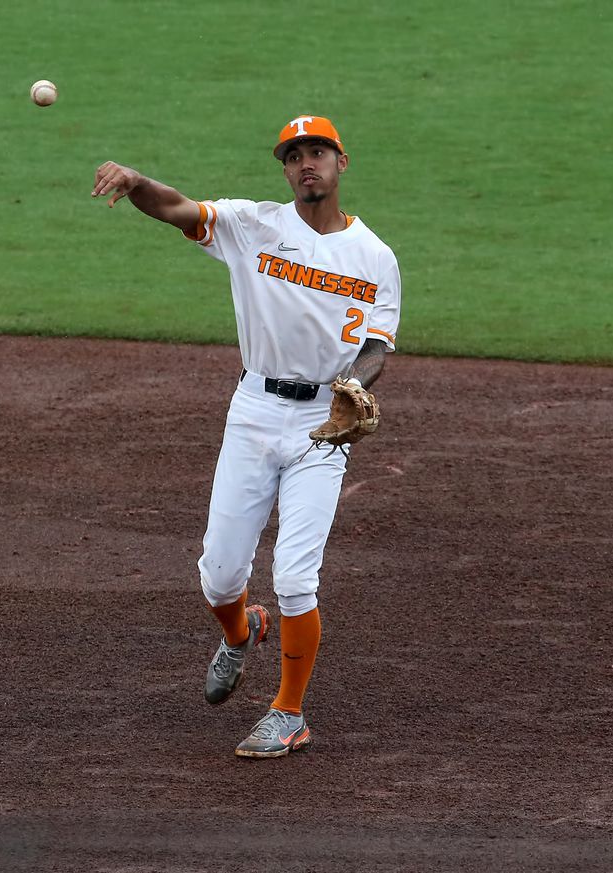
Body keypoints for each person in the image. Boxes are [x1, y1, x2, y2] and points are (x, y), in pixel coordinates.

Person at [92, 115, 401, 758]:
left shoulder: (375, 256)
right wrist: (135, 180)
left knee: (295, 576)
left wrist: (355, 388)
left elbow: (376, 343)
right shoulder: (251, 224)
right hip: (254, 413)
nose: (305, 164)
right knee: (219, 575)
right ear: (285, 169)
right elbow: (178, 208)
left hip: (325, 424)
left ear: (343, 163)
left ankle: (288, 711)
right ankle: (241, 632)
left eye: (317, 152)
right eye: (294, 156)